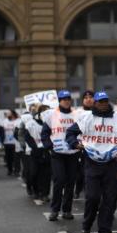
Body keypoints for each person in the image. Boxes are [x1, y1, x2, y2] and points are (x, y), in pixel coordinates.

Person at [66, 91, 117, 233]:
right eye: (100, 101)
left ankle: (105, 232)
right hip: (92, 163)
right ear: (95, 103)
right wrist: (75, 144)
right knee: (92, 197)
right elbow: (70, 133)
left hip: (111, 163)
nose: (103, 104)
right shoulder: (86, 118)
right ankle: (86, 226)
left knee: (110, 199)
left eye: (105, 101)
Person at [41, 90, 80, 221]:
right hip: (57, 153)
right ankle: (54, 210)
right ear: (59, 101)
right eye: (63, 99)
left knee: (70, 182)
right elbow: (45, 134)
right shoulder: (51, 115)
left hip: (73, 153)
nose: (66, 101)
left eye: (68, 98)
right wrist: (49, 147)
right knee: (59, 180)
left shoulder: (77, 114)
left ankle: (67, 210)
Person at [25, 105, 51, 202]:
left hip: (47, 151)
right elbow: (27, 137)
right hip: (35, 152)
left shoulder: (52, 123)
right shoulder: (31, 123)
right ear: (40, 113)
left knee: (46, 174)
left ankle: (45, 193)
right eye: (45, 112)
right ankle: (36, 191)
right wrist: (34, 148)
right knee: (34, 173)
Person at [73, 90, 95, 199]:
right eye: (86, 97)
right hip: (81, 147)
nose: (88, 99)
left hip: (96, 147)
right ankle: (78, 189)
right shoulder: (77, 113)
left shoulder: (99, 112)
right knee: (80, 173)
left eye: (91, 97)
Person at [1, 110, 20, 176]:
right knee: (8, 158)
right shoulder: (5, 121)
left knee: (15, 158)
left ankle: (16, 171)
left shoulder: (18, 121)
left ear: (12, 114)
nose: (7, 114)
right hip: (7, 143)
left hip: (15, 143)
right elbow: (1, 131)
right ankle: (10, 170)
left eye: (9, 113)